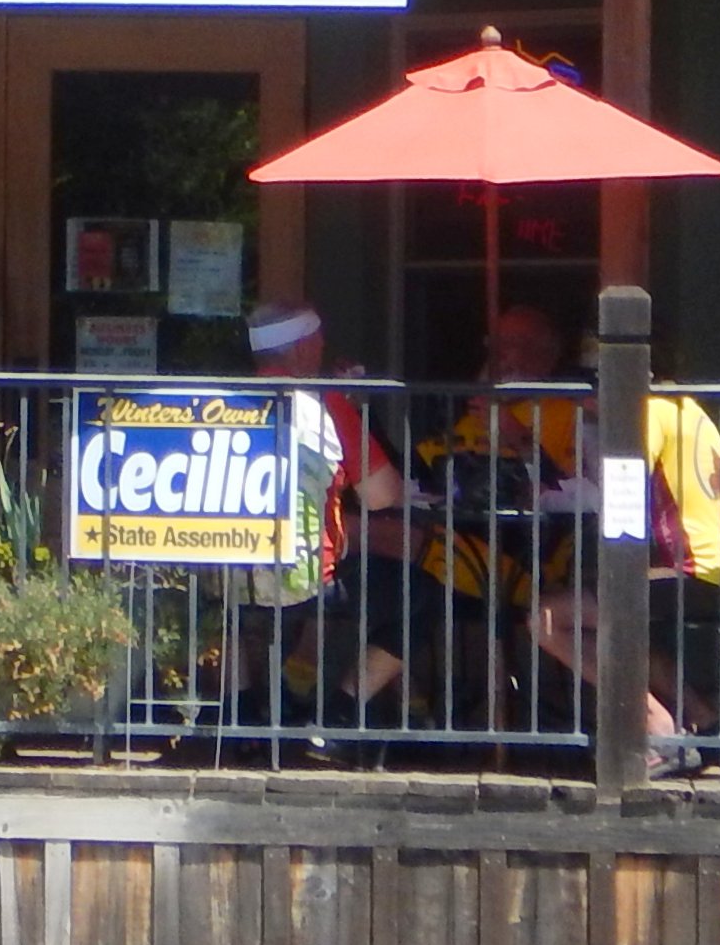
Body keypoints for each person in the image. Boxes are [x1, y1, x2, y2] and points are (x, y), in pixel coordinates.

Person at [531, 363, 720, 774]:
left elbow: (622, 490)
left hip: (694, 567)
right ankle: (705, 722)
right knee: (617, 619)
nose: (586, 409)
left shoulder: (645, 412)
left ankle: (657, 726)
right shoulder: (686, 408)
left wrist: (556, 491)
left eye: (588, 400)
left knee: (547, 619)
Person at [391, 300, 583, 729]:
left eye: (511, 345)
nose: (497, 355)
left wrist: (518, 436)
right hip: (458, 549)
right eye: (493, 344)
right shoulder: (476, 411)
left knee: (393, 554)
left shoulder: (566, 412)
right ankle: (408, 705)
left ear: (545, 356)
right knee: (389, 576)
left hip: (527, 559)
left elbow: (572, 493)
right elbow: (419, 471)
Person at [235, 301, 403, 741]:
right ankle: (338, 715)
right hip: (304, 575)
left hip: (229, 573)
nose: (324, 347)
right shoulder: (323, 402)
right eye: (318, 341)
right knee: (419, 595)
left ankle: (242, 709)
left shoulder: (222, 400)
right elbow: (384, 494)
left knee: (220, 603)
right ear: (303, 350)